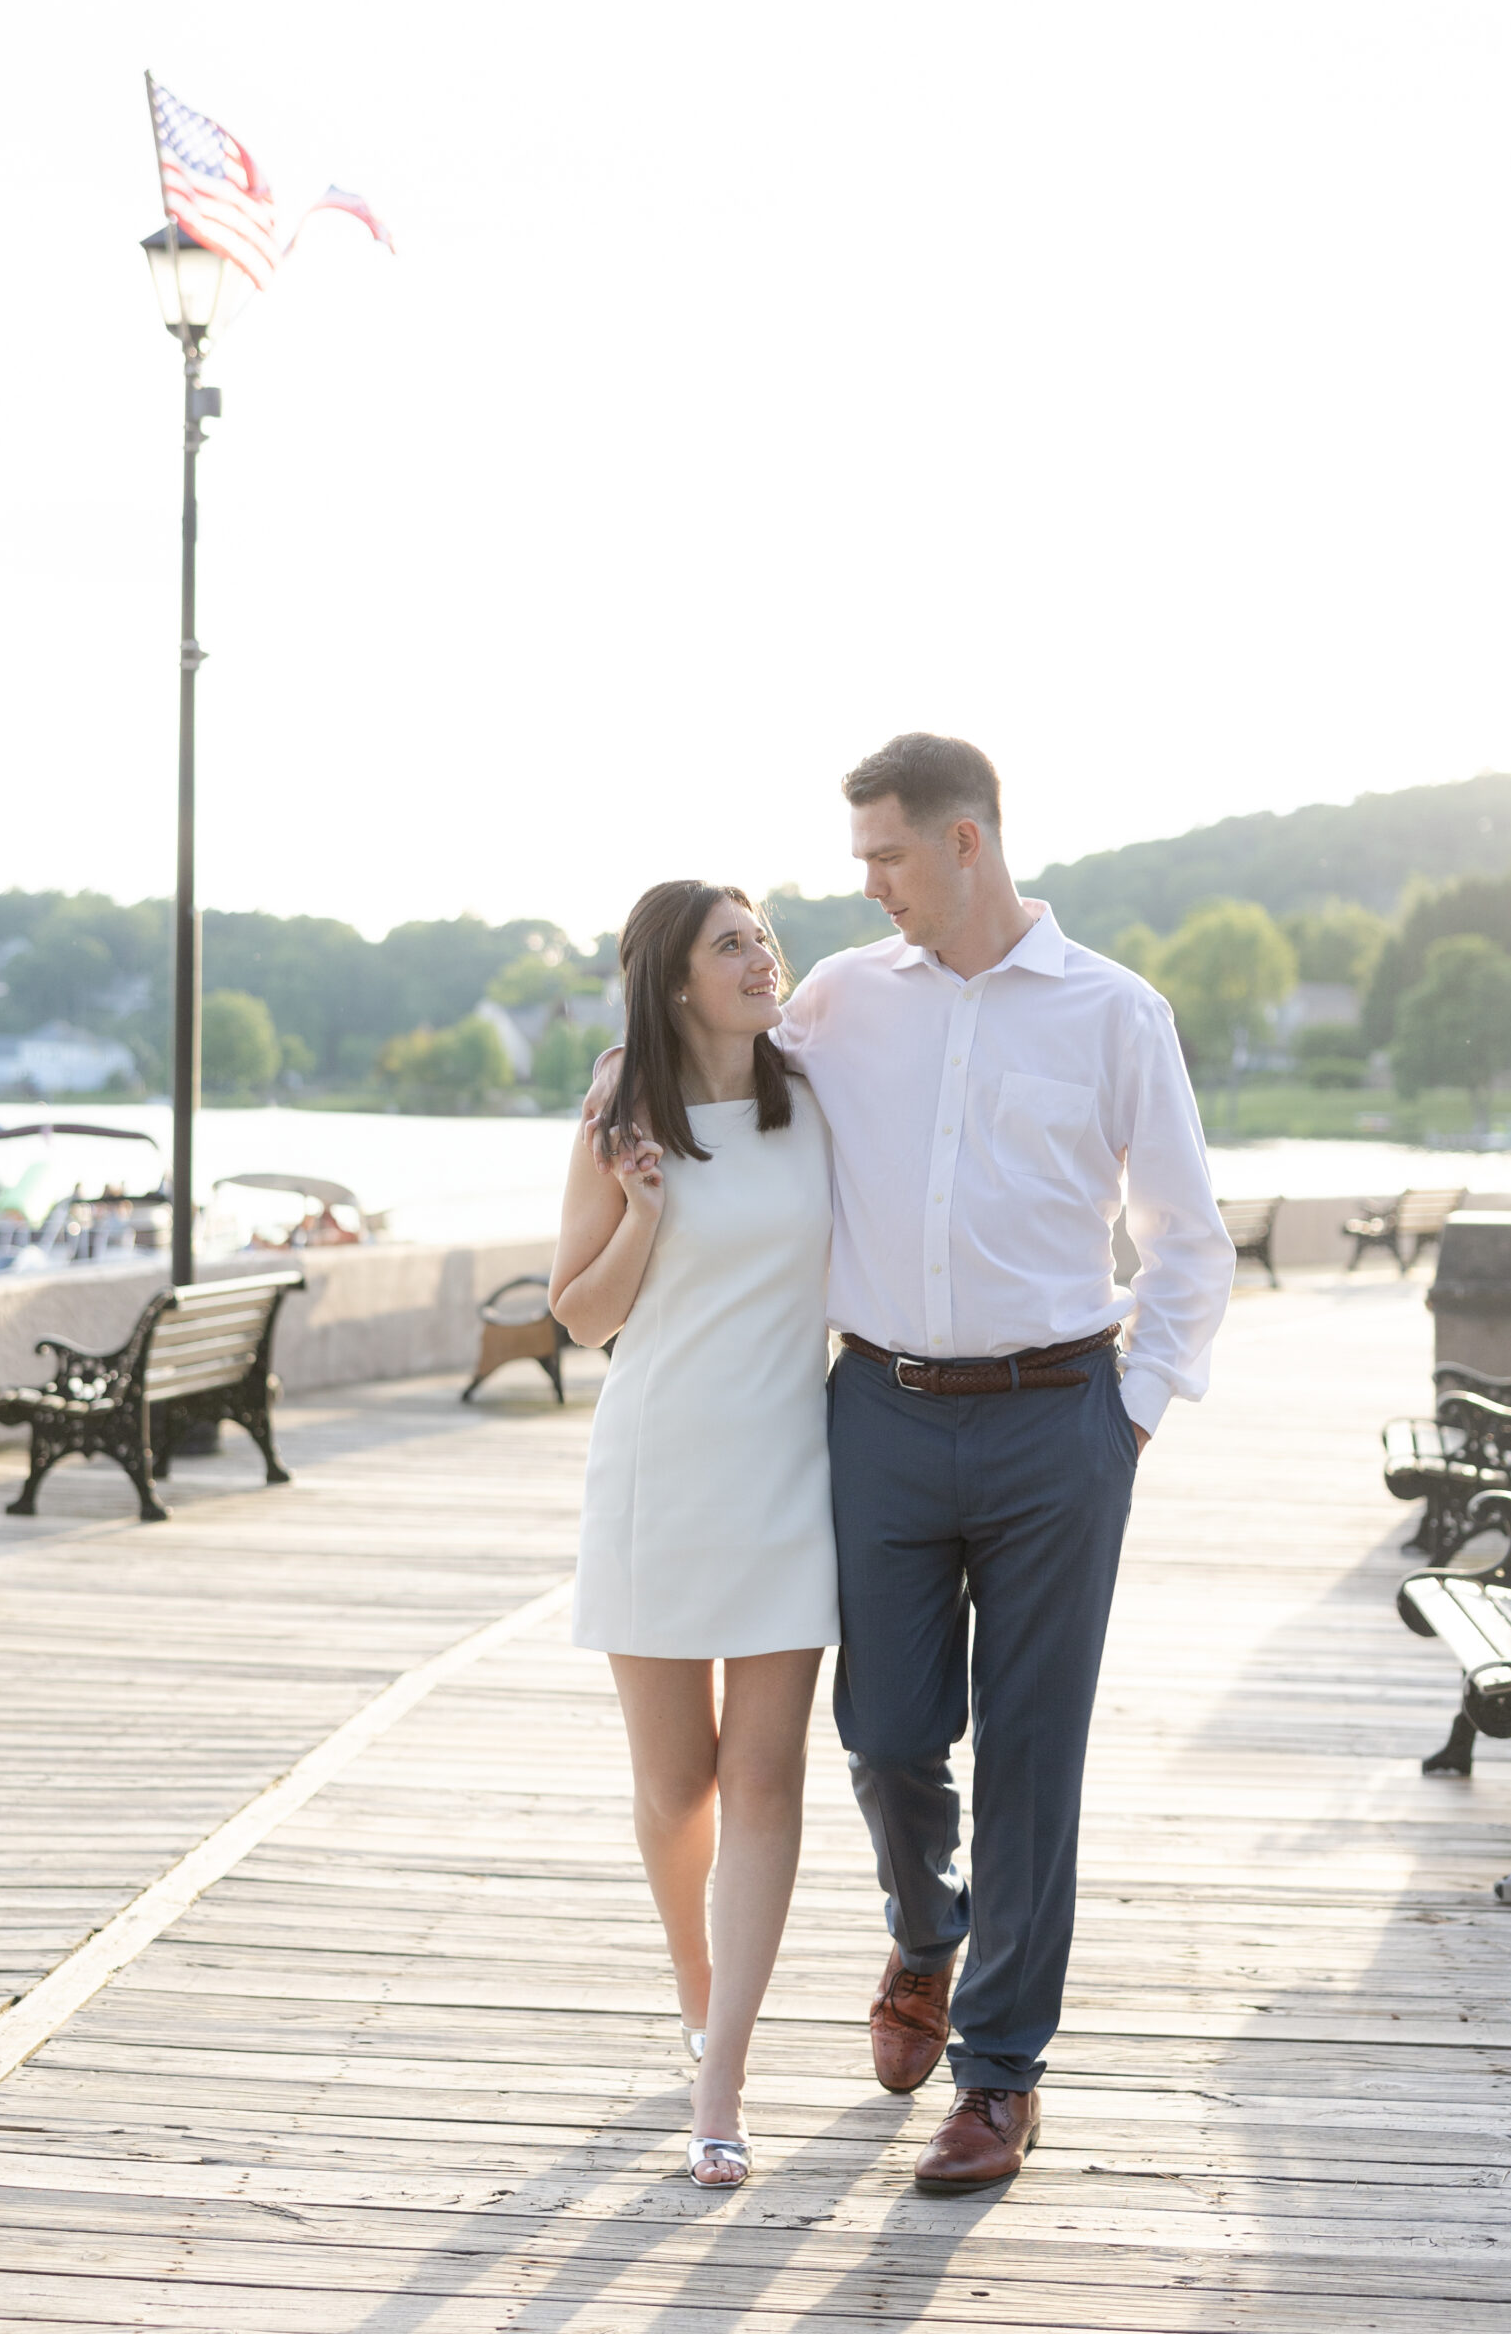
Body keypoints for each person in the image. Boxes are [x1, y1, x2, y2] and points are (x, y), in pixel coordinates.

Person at [589, 733, 1234, 2192]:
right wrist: (619, 1073)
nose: (862, 883)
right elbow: (715, 1072)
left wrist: (1122, 1420)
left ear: (965, 843)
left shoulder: (1114, 1012)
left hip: (1057, 1417)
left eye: (883, 855)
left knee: (1031, 1749)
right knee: (883, 1734)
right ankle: (926, 1927)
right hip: (873, 1414)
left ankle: (999, 2073)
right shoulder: (836, 998)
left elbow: (1188, 1244)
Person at [550, 881, 838, 2191]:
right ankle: (696, 1994)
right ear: (675, 981)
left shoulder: (817, 1095)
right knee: (679, 1789)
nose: (760, 957)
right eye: (732, 944)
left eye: (762, 937)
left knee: (766, 1781)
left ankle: (721, 2074)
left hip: (790, 1479)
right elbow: (580, 1317)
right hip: (657, 1479)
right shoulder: (622, 1113)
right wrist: (647, 1209)